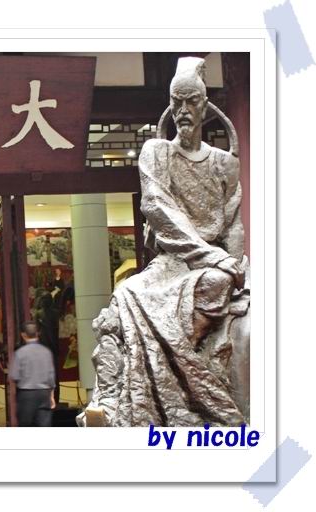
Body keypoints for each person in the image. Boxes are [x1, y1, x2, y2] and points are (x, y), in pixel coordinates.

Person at [80, 57, 250, 427]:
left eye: (192, 101)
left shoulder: (223, 163)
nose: (184, 110)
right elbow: (156, 206)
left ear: (204, 106)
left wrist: (232, 263)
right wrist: (206, 254)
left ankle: (178, 369)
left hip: (212, 267)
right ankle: (113, 396)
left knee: (217, 283)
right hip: (171, 261)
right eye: (177, 102)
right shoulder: (156, 152)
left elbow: (233, 224)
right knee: (125, 296)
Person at [9, 321, 56, 427]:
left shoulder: (20, 353)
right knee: (44, 426)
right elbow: (51, 377)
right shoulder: (46, 352)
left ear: (23, 335)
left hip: (26, 394)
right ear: (37, 334)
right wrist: (51, 396)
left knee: (25, 425)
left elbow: (14, 375)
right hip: (44, 394)